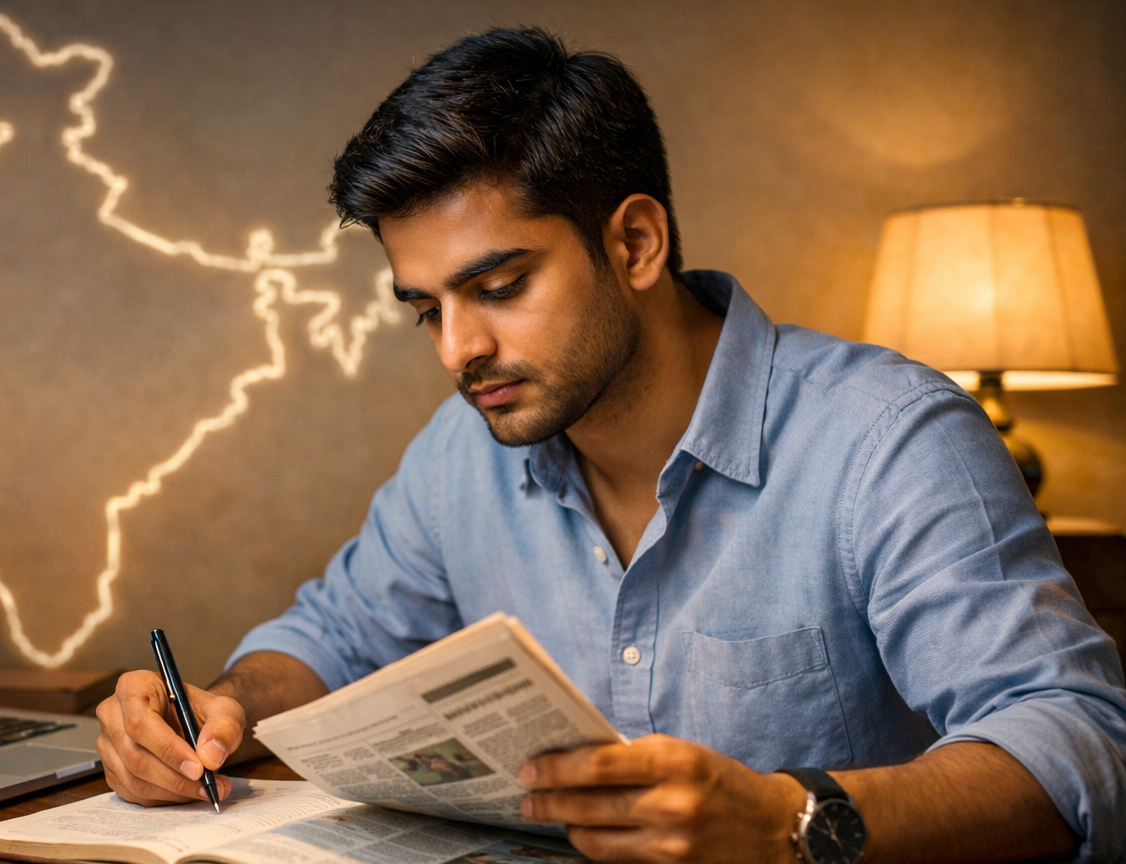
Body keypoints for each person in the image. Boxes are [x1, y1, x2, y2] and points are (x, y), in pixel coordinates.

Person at [95, 28, 1126, 864]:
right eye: (426, 309)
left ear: (635, 243)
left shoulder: (890, 441)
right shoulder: (466, 452)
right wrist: (224, 705)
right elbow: (331, 636)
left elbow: (1077, 747)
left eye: (500, 288)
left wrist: (786, 823)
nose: (460, 349)